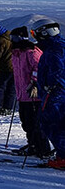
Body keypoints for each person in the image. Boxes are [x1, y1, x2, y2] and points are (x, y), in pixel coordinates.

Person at [10, 26, 51, 157]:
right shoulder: (16, 53)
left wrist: (34, 82)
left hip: (34, 95)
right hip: (23, 94)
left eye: (15, 38)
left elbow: (39, 67)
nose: (13, 40)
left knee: (36, 123)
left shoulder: (31, 52)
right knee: (26, 122)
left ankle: (43, 148)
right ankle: (33, 145)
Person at [33, 20, 65, 169]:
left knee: (52, 124)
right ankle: (61, 155)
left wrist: (51, 86)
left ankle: (63, 157)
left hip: (56, 93)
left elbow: (58, 70)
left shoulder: (54, 50)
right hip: (57, 91)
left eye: (35, 33)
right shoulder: (58, 46)